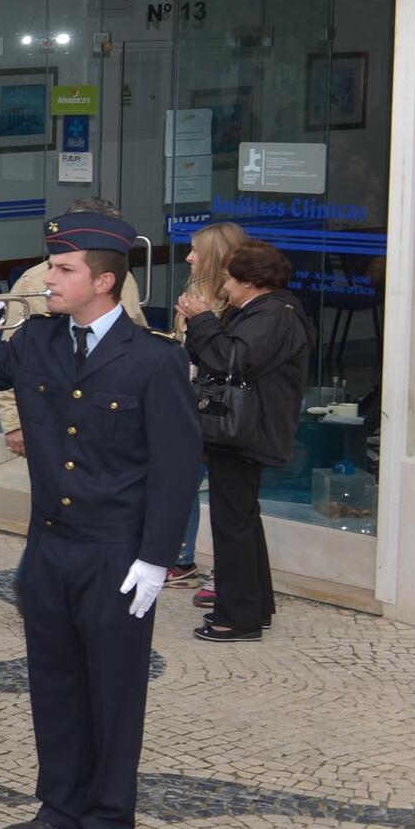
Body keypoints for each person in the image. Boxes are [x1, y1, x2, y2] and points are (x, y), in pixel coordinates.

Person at [0, 211, 197, 829]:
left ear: (105, 282)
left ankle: (108, 820)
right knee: (53, 683)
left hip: (116, 550)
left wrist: (155, 558)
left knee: (114, 691)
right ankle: (60, 806)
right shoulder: (37, 341)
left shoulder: (156, 359)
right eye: (51, 266)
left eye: (63, 268)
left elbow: (176, 466)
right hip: (49, 543)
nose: (48, 278)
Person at [176, 241, 309, 642]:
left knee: (233, 523)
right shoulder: (262, 310)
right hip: (243, 430)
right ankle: (255, 607)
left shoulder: (273, 315)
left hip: (246, 432)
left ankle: (237, 618)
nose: (225, 287)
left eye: (231, 279)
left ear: (251, 282)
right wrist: (198, 326)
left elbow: (231, 360)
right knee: (243, 520)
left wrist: (201, 321)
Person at [0, 197, 145, 458]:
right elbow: (13, 359)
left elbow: (137, 334)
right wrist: (14, 422)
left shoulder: (121, 277)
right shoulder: (34, 282)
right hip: (54, 413)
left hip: (112, 415)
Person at [169, 221, 247, 594]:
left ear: (215, 258)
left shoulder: (237, 306)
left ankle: (225, 570)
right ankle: (181, 559)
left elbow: (224, 358)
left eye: (195, 251)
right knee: (181, 481)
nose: (188, 257)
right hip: (190, 403)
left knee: (226, 494)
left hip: (223, 410)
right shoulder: (194, 294)